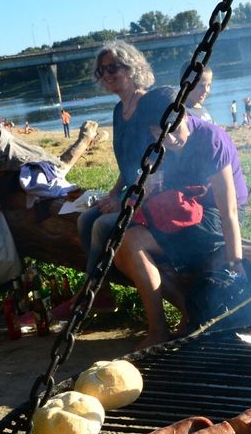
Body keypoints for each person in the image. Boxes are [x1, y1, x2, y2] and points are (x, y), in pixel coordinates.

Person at [114, 115, 245, 348]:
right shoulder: (160, 144)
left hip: (212, 217)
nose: (171, 139)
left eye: (175, 130)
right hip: (183, 211)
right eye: (160, 133)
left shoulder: (210, 139)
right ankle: (186, 311)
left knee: (132, 245)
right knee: (122, 252)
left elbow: (230, 211)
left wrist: (235, 261)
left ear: (185, 115)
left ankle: (159, 330)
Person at [72, 41, 175, 297]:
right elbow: (128, 162)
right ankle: (103, 291)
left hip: (155, 194)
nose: (107, 75)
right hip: (132, 191)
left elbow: (157, 166)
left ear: (131, 67)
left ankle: (93, 293)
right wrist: (114, 193)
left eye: (112, 68)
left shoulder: (147, 105)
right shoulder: (119, 110)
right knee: (85, 218)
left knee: (100, 226)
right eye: (102, 71)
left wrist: (126, 203)